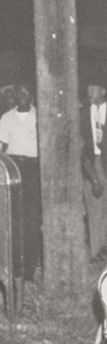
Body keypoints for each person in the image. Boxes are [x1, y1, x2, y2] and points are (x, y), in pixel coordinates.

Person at [0, 82, 40, 279]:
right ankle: (15, 265)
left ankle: (31, 267)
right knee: (14, 217)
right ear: (14, 96)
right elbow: (1, 148)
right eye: (19, 92)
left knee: (32, 219)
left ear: (31, 94)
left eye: (26, 91)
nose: (23, 95)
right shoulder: (6, 117)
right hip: (14, 167)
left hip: (33, 168)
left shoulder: (40, 115)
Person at [82, 82, 107, 259]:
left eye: (93, 88)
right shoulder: (82, 113)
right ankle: (96, 255)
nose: (89, 92)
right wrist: (94, 178)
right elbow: (81, 147)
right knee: (94, 212)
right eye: (88, 88)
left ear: (103, 91)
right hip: (90, 166)